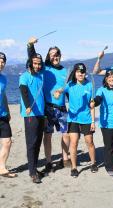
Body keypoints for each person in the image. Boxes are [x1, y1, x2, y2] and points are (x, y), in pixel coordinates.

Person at [27, 37, 70, 172]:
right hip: (49, 108)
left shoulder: (65, 71)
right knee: (48, 135)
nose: (55, 57)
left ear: (60, 56)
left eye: (57, 54)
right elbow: (33, 58)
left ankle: (65, 158)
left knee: (66, 134)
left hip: (62, 108)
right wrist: (30, 45)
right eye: (52, 55)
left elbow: (69, 89)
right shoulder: (45, 68)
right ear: (48, 57)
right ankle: (49, 162)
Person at [54, 63, 98, 177]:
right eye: (78, 72)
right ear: (75, 73)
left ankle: (93, 163)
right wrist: (57, 93)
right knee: (74, 143)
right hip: (73, 119)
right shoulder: (70, 85)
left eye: (83, 72)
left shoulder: (89, 85)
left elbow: (92, 105)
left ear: (85, 73)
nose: (81, 74)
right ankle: (74, 168)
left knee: (90, 142)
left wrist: (93, 121)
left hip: (87, 119)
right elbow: (59, 91)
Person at [19, 53, 45, 183]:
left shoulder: (40, 75)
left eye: (39, 63)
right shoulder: (24, 76)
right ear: (30, 63)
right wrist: (28, 105)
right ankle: (32, 172)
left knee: (38, 142)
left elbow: (40, 60)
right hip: (31, 114)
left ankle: (34, 168)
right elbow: (23, 91)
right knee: (31, 143)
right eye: (35, 63)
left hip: (41, 113)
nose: (38, 65)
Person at [0, 52, 17, 178]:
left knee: (7, 141)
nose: (1, 63)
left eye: (3, 61)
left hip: (2, 115)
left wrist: (8, 111)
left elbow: (3, 95)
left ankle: (2, 168)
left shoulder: (4, 79)